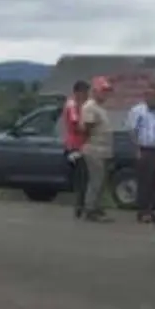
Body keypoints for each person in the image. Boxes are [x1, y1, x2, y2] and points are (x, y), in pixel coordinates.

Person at [128, 83, 155, 223]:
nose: (151, 98)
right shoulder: (138, 111)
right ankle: (143, 211)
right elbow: (132, 132)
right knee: (144, 182)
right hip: (144, 149)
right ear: (145, 97)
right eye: (148, 95)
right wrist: (137, 149)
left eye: (154, 96)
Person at [80, 77, 114, 222]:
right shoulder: (90, 107)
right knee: (96, 181)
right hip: (94, 149)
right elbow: (86, 127)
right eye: (103, 91)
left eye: (107, 91)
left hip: (103, 150)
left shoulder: (100, 108)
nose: (106, 94)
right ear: (95, 91)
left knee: (101, 182)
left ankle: (96, 207)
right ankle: (90, 210)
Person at [61, 80, 90, 217]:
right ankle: (79, 206)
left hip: (79, 145)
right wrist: (89, 129)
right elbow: (75, 123)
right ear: (78, 92)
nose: (86, 96)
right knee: (82, 177)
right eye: (85, 93)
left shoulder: (77, 105)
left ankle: (81, 205)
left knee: (83, 177)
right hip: (74, 146)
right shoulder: (72, 105)